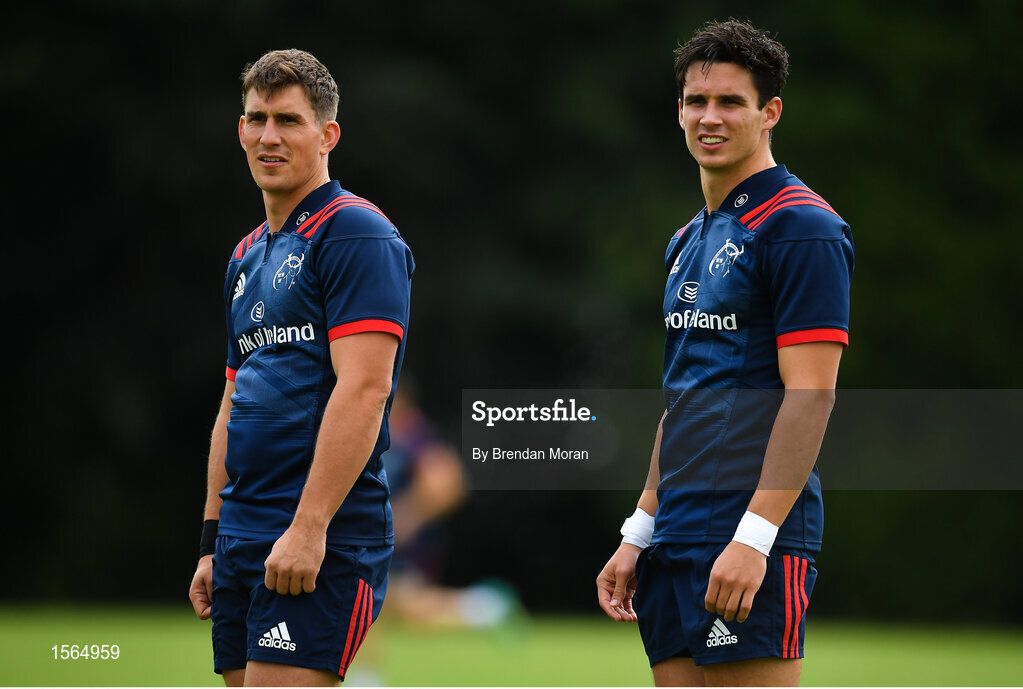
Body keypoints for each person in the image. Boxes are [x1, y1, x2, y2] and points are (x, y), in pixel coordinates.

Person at [596, 20, 853, 687]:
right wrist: (640, 527)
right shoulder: (688, 237)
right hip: (675, 535)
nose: (708, 117)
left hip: (746, 531)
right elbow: (683, 399)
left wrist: (754, 538)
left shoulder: (802, 228)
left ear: (769, 112)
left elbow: (812, 393)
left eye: (730, 102)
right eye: (694, 101)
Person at [187, 49, 414, 687]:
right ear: (239, 129)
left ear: (327, 135)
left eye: (288, 120)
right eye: (256, 118)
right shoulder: (246, 255)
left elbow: (365, 390)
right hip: (242, 535)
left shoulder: (356, 234)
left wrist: (309, 527)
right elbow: (233, 403)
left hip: (322, 536)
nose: (269, 136)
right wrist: (212, 539)